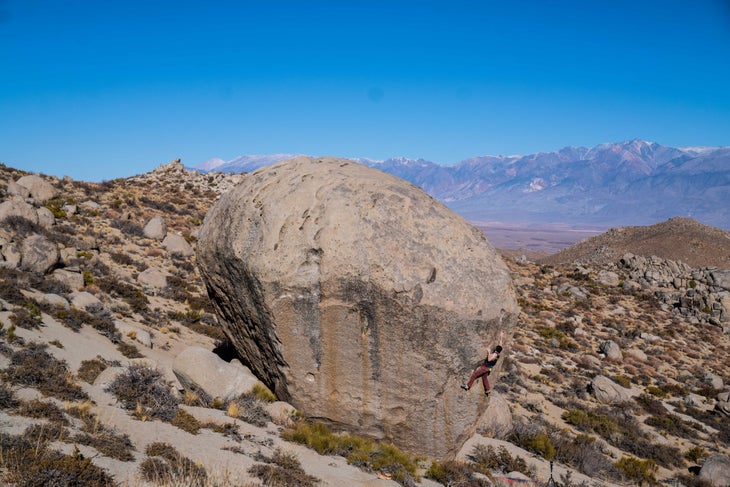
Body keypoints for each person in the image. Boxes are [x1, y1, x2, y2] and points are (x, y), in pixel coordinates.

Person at [461, 331, 504, 396]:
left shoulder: (495, 354)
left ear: (496, 349)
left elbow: (489, 359)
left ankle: (467, 386)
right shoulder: (498, 354)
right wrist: (501, 336)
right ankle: (488, 390)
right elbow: (500, 344)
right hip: (488, 368)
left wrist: (489, 352)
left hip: (485, 367)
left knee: (474, 375)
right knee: (484, 378)